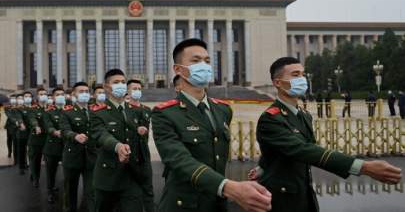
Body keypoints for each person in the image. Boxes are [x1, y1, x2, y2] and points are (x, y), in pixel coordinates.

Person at [256, 57, 402, 212]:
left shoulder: (304, 115)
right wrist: (363, 167)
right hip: (281, 200)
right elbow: (302, 150)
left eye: (303, 74)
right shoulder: (271, 119)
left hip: (304, 195)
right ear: (278, 82)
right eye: (295, 75)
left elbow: (282, 151)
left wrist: (263, 167)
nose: (302, 79)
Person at [152, 38, 272, 212]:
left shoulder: (223, 109)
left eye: (207, 61)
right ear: (178, 69)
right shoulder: (165, 113)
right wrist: (229, 187)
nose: (204, 65)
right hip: (184, 205)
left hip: (217, 204)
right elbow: (180, 160)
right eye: (195, 61)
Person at [89, 69, 145, 212]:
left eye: (123, 82)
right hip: (108, 177)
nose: (121, 85)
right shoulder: (98, 112)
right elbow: (101, 134)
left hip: (132, 175)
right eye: (116, 82)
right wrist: (117, 146)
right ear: (106, 86)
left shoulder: (134, 110)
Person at [60, 82, 97, 212]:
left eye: (87, 91)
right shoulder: (67, 112)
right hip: (73, 156)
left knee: (91, 191)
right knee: (71, 191)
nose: (84, 94)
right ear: (74, 94)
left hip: (91, 157)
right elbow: (64, 130)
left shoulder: (95, 111)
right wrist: (75, 136)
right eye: (81, 91)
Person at [127, 79, 154, 212]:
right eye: (134, 89)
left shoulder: (147, 110)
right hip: (129, 154)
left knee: (148, 188)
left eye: (139, 89)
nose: (137, 91)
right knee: (131, 191)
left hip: (144, 153)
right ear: (127, 91)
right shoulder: (124, 110)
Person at [43, 87, 66, 203]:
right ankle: (50, 191)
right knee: (51, 172)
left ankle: (68, 192)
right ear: (53, 97)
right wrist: (55, 132)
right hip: (52, 147)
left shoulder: (69, 110)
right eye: (57, 94)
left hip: (66, 147)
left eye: (62, 94)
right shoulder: (48, 112)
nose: (60, 96)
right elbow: (48, 126)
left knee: (68, 171)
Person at [27, 87, 49, 188]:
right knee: (36, 160)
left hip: (48, 139)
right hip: (36, 139)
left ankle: (50, 184)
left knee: (49, 161)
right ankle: (36, 178)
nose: (43, 96)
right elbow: (32, 119)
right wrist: (36, 126)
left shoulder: (51, 108)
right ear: (37, 96)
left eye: (45, 94)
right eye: (41, 94)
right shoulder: (33, 109)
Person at [15, 91, 34, 175]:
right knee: (21, 150)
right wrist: (21, 124)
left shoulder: (34, 108)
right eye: (26, 96)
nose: (27, 98)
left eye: (29, 96)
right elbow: (19, 118)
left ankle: (30, 165)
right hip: (22, 133)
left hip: (33, 133)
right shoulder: (19, 108)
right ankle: (21, 167)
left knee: (32, 151)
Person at [4, 94, 18, 161]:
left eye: (14, 98)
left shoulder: (19, 106)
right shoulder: (7, 107)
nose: (13, 100)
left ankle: (16, 157)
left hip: (17, 126)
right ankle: (10, 151)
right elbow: (9, 115)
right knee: (9, 139)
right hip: (9, 126)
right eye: (11, 99)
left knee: (15, 141)